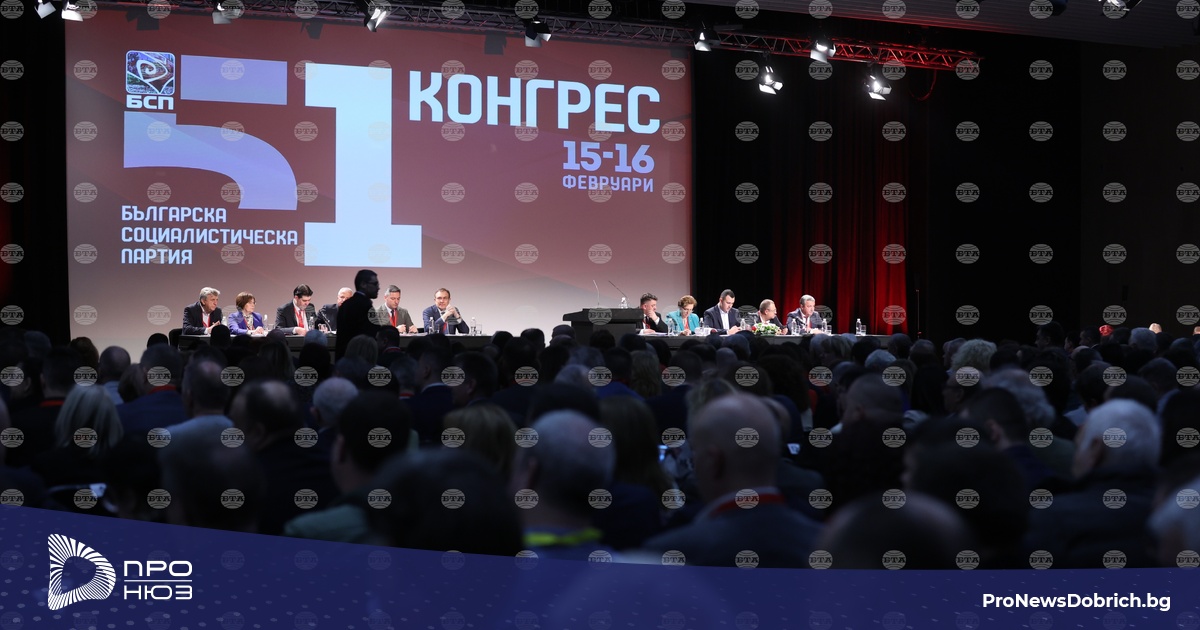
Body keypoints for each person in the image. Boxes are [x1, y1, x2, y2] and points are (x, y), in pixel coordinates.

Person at [336, 270, 384, 360]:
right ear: (363, 284)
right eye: (375, 284)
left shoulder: (347, 304)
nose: (378, 288)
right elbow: (372, 334)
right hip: (360, 360)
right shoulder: (364, 306)